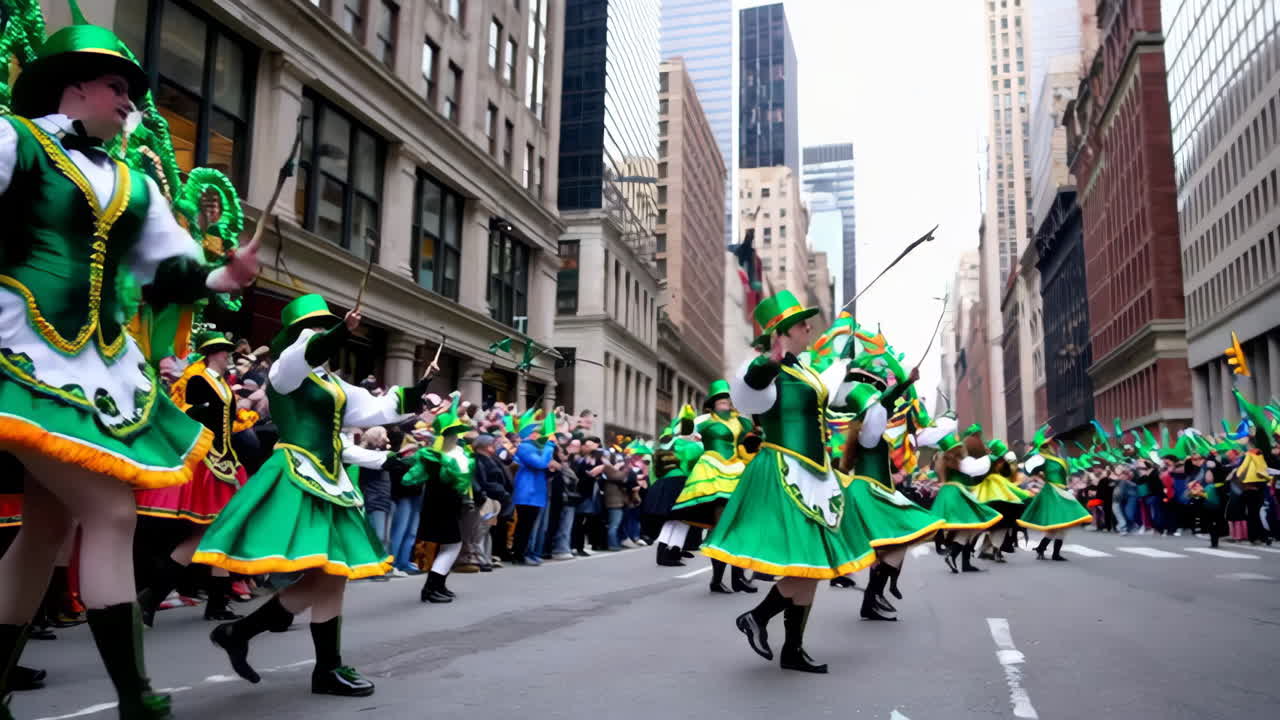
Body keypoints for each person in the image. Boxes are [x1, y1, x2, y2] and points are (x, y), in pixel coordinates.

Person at [0, 10, 264, 718]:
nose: (130, 103)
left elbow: (171, 268)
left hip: (97, 366)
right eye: (118, 86)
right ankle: (133, 696)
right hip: (20, 355)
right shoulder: (13, 143)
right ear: (75, 85)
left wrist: (220, 276)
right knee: (111, 512)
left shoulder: (134, 185)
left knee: (47, 529)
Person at [193, 296, 435, 698]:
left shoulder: (333, 385)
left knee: (332, 577)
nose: (321, 330)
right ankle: (315, 663)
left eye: (327, 323)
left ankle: (249, 635)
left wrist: (418, 396)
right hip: (297, 473)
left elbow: (378, 410)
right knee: (327, 576)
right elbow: (305, 354)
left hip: (331, 479)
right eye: (315, 324)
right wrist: (340, 332)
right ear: (296, 333)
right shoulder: (286, 370)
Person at [703, 291, 878, 674]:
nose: (810, 327)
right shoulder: (767, 367)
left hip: (817, 474)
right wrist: (769, 362)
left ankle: (792, 649)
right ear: (782, 332)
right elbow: (749, 393)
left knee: (812, 565)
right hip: (786, 471)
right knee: (806, 562)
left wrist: (850, 361)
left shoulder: (806, 370)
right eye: (802, 324)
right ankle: (759, 618)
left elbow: (833, 387)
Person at [134, 331, 250, 626]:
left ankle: (214, 603)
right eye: (223, 350)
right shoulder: (199, 380)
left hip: (226, 462)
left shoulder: (224, 385)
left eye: (228, 350)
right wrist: (201, 411)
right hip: (207, 463)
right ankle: (153, 596)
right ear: (211, 353)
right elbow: (186, 414)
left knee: (220, 534)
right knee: (208, 533)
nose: (228, 354)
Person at [669, 381, 759, 593]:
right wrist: (687, 418)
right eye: (721, 400)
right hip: (712, 470)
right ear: (712, 404)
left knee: (739, 526)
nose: (726, 402)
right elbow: (680, 432)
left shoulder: (743, 423)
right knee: (721, 527)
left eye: (728, 399)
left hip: (737, 471)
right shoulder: (705, 422)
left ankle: (737, 578)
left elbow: (752, 444)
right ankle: (718, 579)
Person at [407, 395, 474, 602]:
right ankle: (431, 588)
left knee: (450, 546)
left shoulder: (444, 454)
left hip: (443, 505)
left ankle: (438, 585)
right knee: (452, 545)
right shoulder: (439, 456)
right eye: (453, 432)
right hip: (441, 505)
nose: (457, 436)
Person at [928, 427, 1002, 573]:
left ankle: (964, 562)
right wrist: (989, 457)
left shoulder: (946, 460)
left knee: (971, 527)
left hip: (953, 492)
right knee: (971, 526)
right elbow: (974, 469)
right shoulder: (955, 460)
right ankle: (954, 555)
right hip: (957, 493)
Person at [1018, 429, 1093, 560]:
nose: (1050, 447)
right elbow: (1029, 471)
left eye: (1050, 445)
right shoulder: (1042, 460)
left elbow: (1065, 477)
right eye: (1047, 445)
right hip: (1052, 493)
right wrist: (1038, 473)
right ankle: (1052, 552)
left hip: (1062, 491)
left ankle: (1044, 549)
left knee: (1060, 525)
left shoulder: (1060, 461)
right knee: (1059, 524)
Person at [643, 407, 703, 565]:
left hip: (665, 484)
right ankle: (670, 553)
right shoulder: (694, 447)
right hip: (681, 484)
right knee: (682, 521)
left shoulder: (668, 444)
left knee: (672, 521)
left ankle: (666, 553)